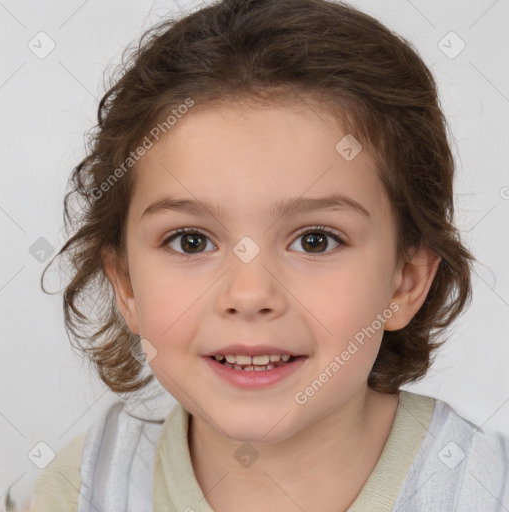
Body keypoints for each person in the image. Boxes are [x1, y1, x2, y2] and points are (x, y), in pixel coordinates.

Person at [26, 0, 508, 510]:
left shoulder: (484, 491)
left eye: (315, 240)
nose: (250, 295)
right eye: (191, 241)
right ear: (125, 284)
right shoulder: (83, 488)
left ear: (404, 282)